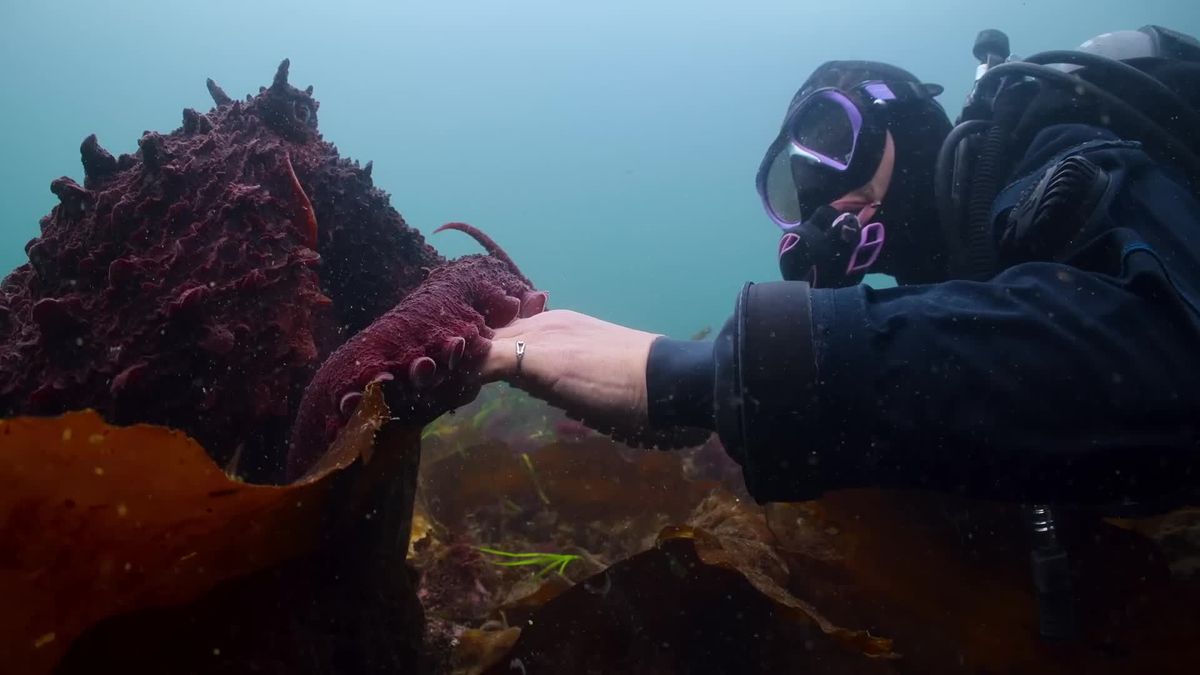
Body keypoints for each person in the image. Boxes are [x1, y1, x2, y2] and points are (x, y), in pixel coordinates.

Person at [480, 26, 1200, 516]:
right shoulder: (963, 281)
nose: (822, 190)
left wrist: (702, 375)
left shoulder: (1048, 140)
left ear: (906, 122)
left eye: (830, 140)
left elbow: (1168, 357)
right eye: (795, 186)